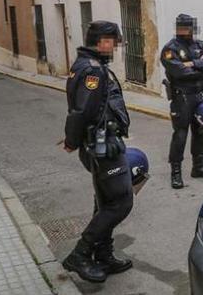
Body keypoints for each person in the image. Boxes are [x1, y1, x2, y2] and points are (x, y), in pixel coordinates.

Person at [62, 21, 133, 283]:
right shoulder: (93, 71)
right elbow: (81, 111)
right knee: (121, 202)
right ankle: (80, 254)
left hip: (101, 142)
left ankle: (103, 254)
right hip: (102, 146)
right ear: (102, 41)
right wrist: (71, 140)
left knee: (104, 201)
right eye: (113, 41)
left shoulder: (88, 65)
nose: (115, 46)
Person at [161, 14, 203, 189]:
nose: (189, 31)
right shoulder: (170, 48)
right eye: (186, 27)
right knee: (180, 134)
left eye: (191, 27)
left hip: (199, 95)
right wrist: (198, 68)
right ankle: (175, 172)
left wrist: (191, 64)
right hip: (182, 97)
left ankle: (197, 167)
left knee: (200, 131)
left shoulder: (198, 44)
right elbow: (178, 72)